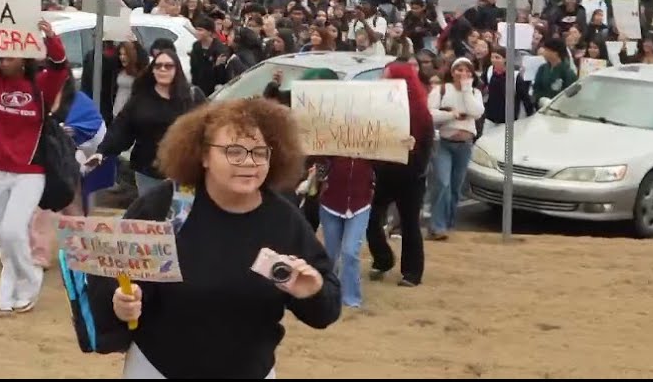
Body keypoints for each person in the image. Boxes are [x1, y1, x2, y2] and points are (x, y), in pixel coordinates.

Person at [91, 98, 340, 378]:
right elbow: (112, 273)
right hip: (159, 367)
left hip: (250, 370)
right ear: (203, 155)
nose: (249, 162)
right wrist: (121, 302)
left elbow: (325, 310)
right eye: (233, 151)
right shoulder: (166, 206)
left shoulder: (283, 219)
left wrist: (313, 293)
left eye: (259, 152)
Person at [0, 17, 69, 313]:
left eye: (12, 52)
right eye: (2, 53)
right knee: (4, 238)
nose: (5, 58)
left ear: (25, 55)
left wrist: (50, 37)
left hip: (30, 172)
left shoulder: (39, 85)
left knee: (12, 231)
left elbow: (59, 67)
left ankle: (30, 280)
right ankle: (8, 291)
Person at [88, 49, 203, 196]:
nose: (162, 69)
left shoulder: (192, 96)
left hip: (183, 171)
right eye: (158, 66)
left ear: (177, 69)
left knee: (180, 216)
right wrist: (101, 152)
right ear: (152, 70)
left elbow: (207, 129)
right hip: (148, 171)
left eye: (168, 66)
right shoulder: (140, 99)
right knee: (152, 215)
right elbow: (121, 128)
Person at [366, 61, 433, 288]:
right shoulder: (376, 107)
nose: (382, 81)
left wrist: (413, 152)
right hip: (383, 174)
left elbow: (426, 148)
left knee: (409, 224)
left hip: (410, 177)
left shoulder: (420, 112)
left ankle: (412, 272)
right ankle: (383, 258)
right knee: (370, 218)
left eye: (387, 77)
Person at [426, 57, 484, 241]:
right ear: (452, 72)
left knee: (455, 187)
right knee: (443, 183)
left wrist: (467, 89)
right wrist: (451, 115)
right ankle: (437, 225)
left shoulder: (474, 92)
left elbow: (476, 112)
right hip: (444, 143)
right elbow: (430, 113)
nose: (463, 74)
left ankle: (448, 224)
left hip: (465, 145)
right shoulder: (441, 90)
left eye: (467, 70)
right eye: (458, 70)